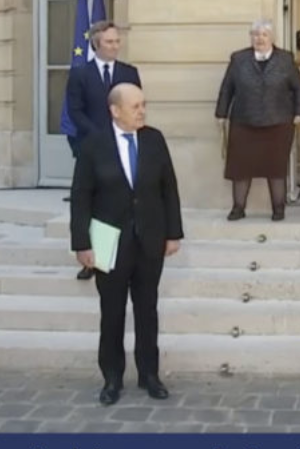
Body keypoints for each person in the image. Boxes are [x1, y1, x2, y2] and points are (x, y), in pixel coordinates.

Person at [70, 83, 184, 406]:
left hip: (149, 239)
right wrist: (82, 244)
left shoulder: (154, 140)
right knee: (112, 312)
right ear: (115, 110)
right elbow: (80, 197)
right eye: (135, 106)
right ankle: (112, 377)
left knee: (147, 310)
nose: (142, 111)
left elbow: (169, 188)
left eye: (143, 104)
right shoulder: (93, 145)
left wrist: (173, 233)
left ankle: (149, 374)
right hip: (109, 241)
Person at [65, 21, 142, 280]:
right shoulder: (80, 74)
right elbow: (75, 111)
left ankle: (125, 256)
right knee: (95, 204)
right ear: (96, 44)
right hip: (92, 148)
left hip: (124, 147)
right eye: (109, 42)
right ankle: (94, 260)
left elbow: (135, 107)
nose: (115, 46)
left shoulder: (129, 72)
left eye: (117, 41)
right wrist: (99, 136)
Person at [215, 19, 300, 222]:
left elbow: (299, 87)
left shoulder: (285, 59)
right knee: (240, 168)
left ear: (272, 37)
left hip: (278, 122)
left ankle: (278, 209)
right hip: (244, 121)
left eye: (264, 34)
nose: (260, 39)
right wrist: (221, 114)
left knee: (276, 168)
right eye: (256, 34)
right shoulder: (238, 59)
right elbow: (227, 88)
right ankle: (238, 208)